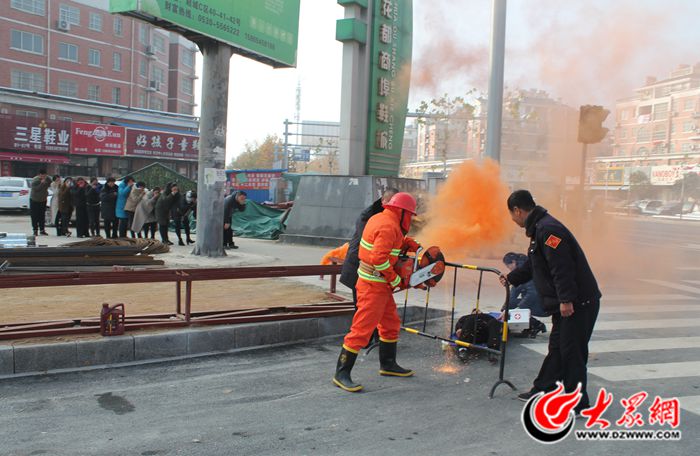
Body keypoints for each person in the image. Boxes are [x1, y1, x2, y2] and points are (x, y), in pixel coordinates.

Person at [501, 190, 601, 413]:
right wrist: (511, 277)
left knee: (572, 353)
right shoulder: (539, 229)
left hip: (578, 303)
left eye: (511, 214)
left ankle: (577, 403)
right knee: (557, 348)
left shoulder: (548, 230)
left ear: (518, 210)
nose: (512, 219)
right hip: (568, 302)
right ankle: (544, 389)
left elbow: (561, 269)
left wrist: (566, 300)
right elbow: (534, 264)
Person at [333, 192, 422, 393]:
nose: (410, 220)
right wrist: (396, 279)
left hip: (378, 285)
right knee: (361, 330)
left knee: (390, 324)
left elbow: (389, 244)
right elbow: (380, 259)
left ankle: (388, 364)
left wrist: (409, 243)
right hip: (373, 286)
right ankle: (342, 373)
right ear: (401, 212)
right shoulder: (388, 226)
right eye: (410, 215)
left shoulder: (382, 218)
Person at [340, 188, 399, 305]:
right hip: (358, 267)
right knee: (363, 307)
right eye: (390, 202)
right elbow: (375, 244)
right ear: (383, 201)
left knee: (373, 308)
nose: (393, 206)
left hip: (371, 271)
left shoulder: (386, 216)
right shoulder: (368, 216)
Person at [502, 252, 547, 338]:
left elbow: (533, 293)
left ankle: (535, 325)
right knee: (514, 303)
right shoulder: (519, 272)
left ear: (514, 262)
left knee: (521, 306)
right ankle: (531, 325)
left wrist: (520, 308)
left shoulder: (526, 271)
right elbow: (513, 294)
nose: (509, 269)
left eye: (508, 266)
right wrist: (504, 309)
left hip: (543, 304)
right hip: (535, 301)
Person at [29, 169, 52, 236]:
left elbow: (50, 183)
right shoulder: (35, 180)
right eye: (42, 175)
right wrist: (41, 183)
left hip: (43, 200)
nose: (44, 177)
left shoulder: (47, 179)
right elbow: (36, 189)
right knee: (34, 216)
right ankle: (35, 230)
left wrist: (48, 179)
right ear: (39, 175)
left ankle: (42, 230)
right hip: (34, 200)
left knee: (42, 216)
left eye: (45, 175)